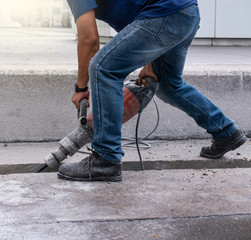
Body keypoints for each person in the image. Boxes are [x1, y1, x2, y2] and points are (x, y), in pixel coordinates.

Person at [57, 0, 247, 182]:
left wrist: (81, 88)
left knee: (103, 68)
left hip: (165, 14)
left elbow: (89, 40)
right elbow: (134, 15)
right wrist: (149, 61)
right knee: (168, 84)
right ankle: (225, 131)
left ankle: (106, 159)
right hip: (186, 12)